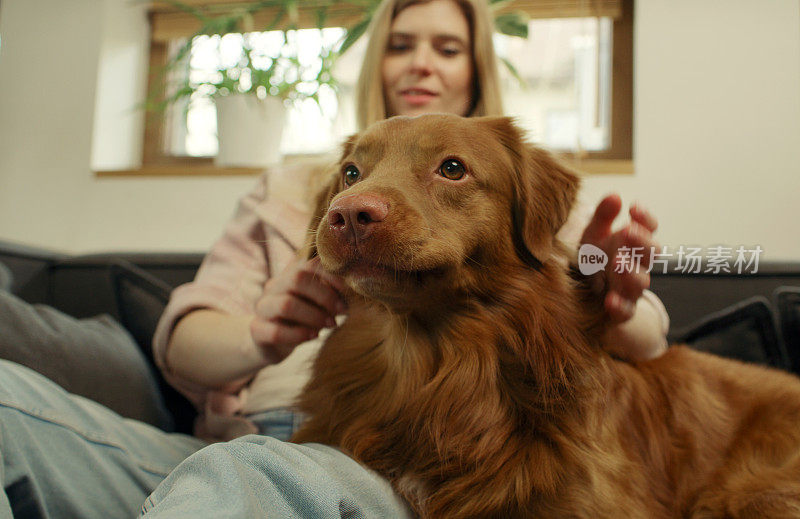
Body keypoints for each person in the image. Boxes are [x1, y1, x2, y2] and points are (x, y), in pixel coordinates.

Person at [0, 0, 668, 517]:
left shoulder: (513, 181)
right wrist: (260, 332)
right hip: (215, 449)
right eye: (401, 45)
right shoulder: (292, 185)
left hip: (374, 465)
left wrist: (601, 291)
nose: (421, 63)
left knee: (256, 472)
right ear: (377, 60)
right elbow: (183, 340)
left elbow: (649, 333)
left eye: (448, 47)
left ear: (476, 67)